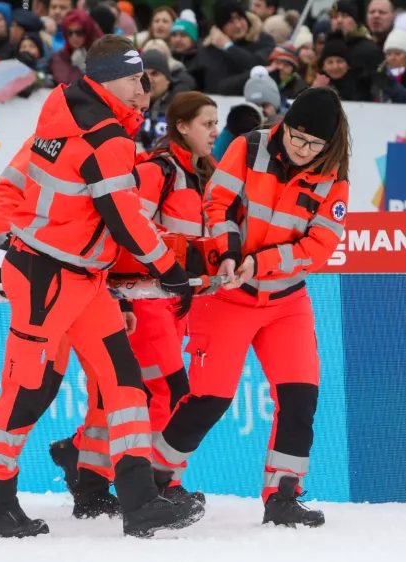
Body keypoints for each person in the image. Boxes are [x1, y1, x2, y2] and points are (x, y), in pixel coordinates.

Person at [0, 35, 204, 540]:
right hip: (46, 275)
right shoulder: (105, 135)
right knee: (27, 390)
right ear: (113, 78)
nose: (145, 87)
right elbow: (122, 218)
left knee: (125, 383)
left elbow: (98, 209)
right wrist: (168, 268)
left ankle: (140, 502)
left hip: (81, 278)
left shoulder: (64, 114)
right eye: (138, 78)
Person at [150, 87, 351, 528]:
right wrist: (230, 250)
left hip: (286, 300)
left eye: (312, 144)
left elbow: (320, 247)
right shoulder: (250, 145)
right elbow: (216, 201)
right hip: (227, 295)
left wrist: (261, 262)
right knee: (209, 399)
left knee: (299, 398)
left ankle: (283, 495)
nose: (300, 148)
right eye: (295, 136)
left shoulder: (334, 178)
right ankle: (156, 481)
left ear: (329, 143)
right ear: (286, 124)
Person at [52, 91, 219, 519]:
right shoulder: (158, 171)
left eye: (216, 124)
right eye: (207, 124)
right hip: (143, 299)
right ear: (181, 127)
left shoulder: (199, 175)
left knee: (122, 395)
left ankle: (87, 471)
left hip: (170, 301)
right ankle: (163, 482)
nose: (215, 132)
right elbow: (127, 228)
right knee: (166, 390)